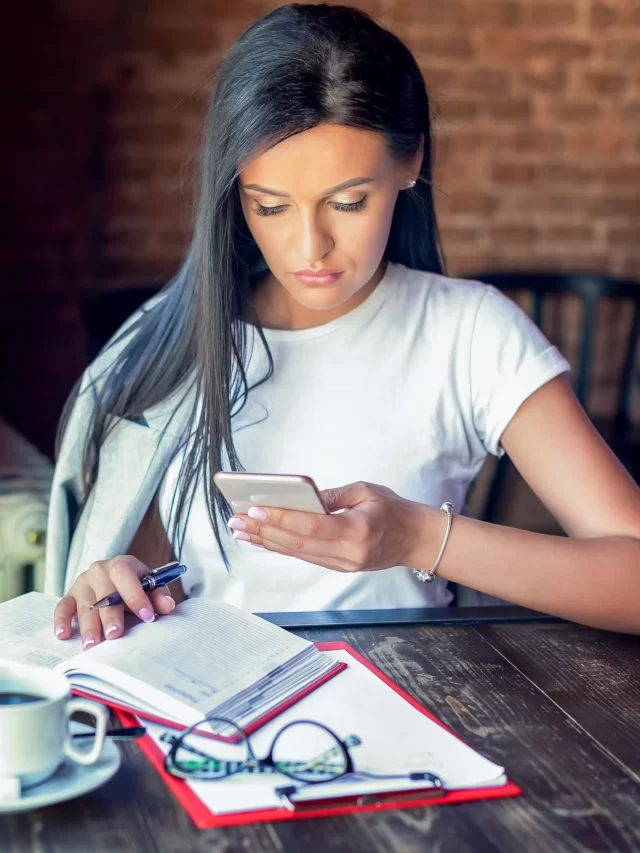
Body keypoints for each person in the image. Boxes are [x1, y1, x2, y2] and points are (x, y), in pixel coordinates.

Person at [46, 3, 640, 648]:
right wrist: (118, 585)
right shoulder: (170, 345)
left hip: (409, 701)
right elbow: (149, 578)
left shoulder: (469, 333)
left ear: (410, 161)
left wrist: (417, 538)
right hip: (210, 705)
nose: (310, 248)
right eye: (269, 207)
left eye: (349, 201)